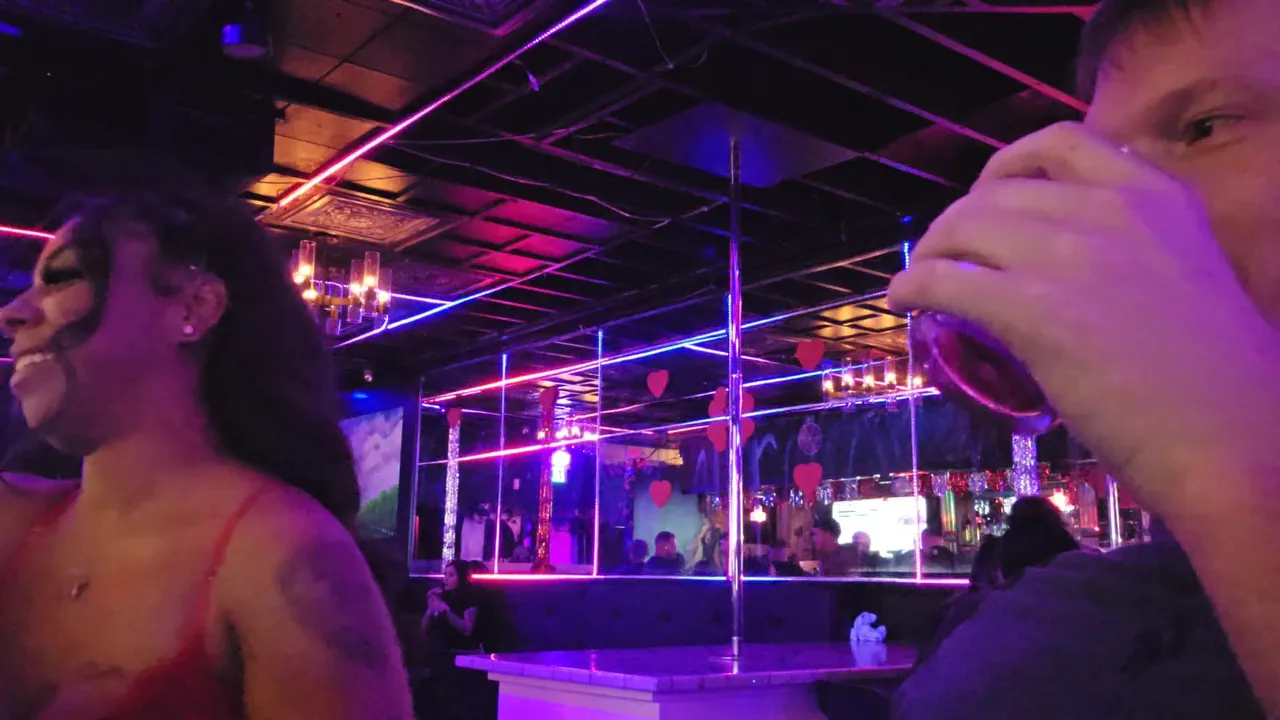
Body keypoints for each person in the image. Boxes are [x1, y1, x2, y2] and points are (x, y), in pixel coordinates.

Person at [889, 0, 1280, 715]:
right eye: (1109, 162)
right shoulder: (1058, 640)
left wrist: (1227, 466)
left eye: (1205, 127)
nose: (1126, 204)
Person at [0, 183, 412, 718]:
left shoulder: (279, 553)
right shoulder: (15, 519)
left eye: (62, 278)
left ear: (192, 306)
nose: (12, 312)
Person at [421, 561, 481, 654]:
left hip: (461, 652)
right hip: (438, 651)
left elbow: (467, 629)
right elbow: (423, 628)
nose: (446, 579)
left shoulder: (470, 596)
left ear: (461, 577)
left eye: (451, 575)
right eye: (445, 575)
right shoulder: (442, 595)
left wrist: (446, 610)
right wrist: (430, 608)